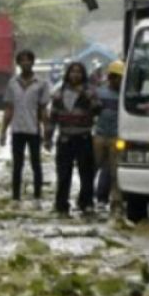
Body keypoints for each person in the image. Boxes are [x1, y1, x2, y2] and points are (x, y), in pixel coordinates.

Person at [49, 61, 101, 216]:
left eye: (79, 72)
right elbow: (53, 116)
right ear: (67, 74)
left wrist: (86, 94)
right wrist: (48, 137)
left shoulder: (90, 91)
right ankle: (61, 204)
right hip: (64, 139)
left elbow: (98, 109)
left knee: (86, 173)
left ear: (83, 74)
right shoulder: (59, 92)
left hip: (84, 137)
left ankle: (86, 202)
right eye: (72, 71)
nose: (75, 74)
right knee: (63, 173)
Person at [0, 49, 51, 204]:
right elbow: (9, 108)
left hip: (34, 130)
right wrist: (3, 131)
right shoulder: (12, 83)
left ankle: (37, 196)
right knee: (17, 164)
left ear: (32, 62)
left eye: (28, 60)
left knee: (36, 164)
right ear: (18, 63)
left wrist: (47, 132)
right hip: (17, 129)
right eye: (22, 60)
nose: (25, 63)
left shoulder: (41, 84)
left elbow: (43, 109)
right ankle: (16, 197)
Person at [93, 60, 124, 213]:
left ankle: (116, 201)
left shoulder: (125, 95)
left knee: (115, 170)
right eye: (116, 77)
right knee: (95, 167)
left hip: (117, 137)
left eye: (121, 77)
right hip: (100, 135)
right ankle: (92, 198)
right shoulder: (100, 92)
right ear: (110, 77)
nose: (119, 81)